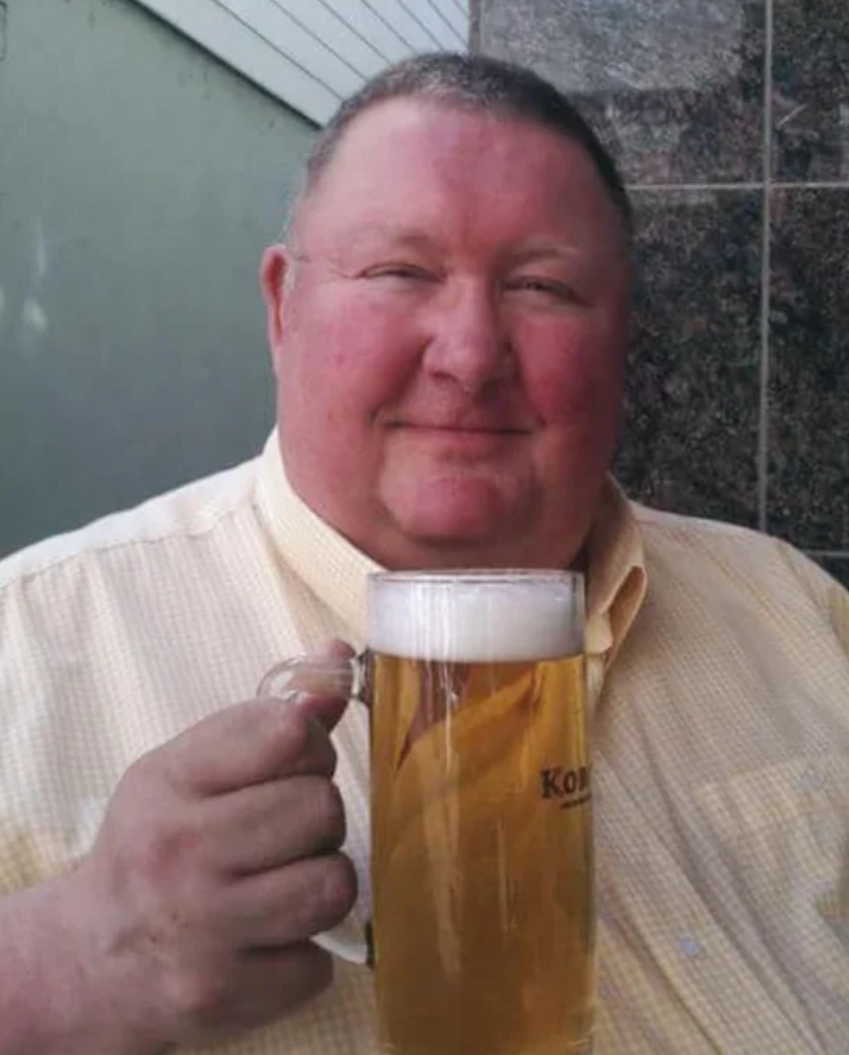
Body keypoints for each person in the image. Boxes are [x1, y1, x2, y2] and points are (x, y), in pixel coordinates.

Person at [0, 51, 847, 1055]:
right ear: (281, 308)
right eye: (398, 272)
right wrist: (63, 960)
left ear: (621, 333)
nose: (471, 354)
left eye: (543, 285)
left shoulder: (790, 605)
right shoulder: (27, 640)